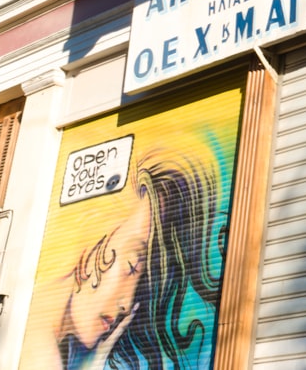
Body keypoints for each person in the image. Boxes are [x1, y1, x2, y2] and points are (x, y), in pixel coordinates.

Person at [45, 151, 222, 370]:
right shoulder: (38, 350)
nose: (127, 305)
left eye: (140, 285)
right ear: (88, 246)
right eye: (130, 265)